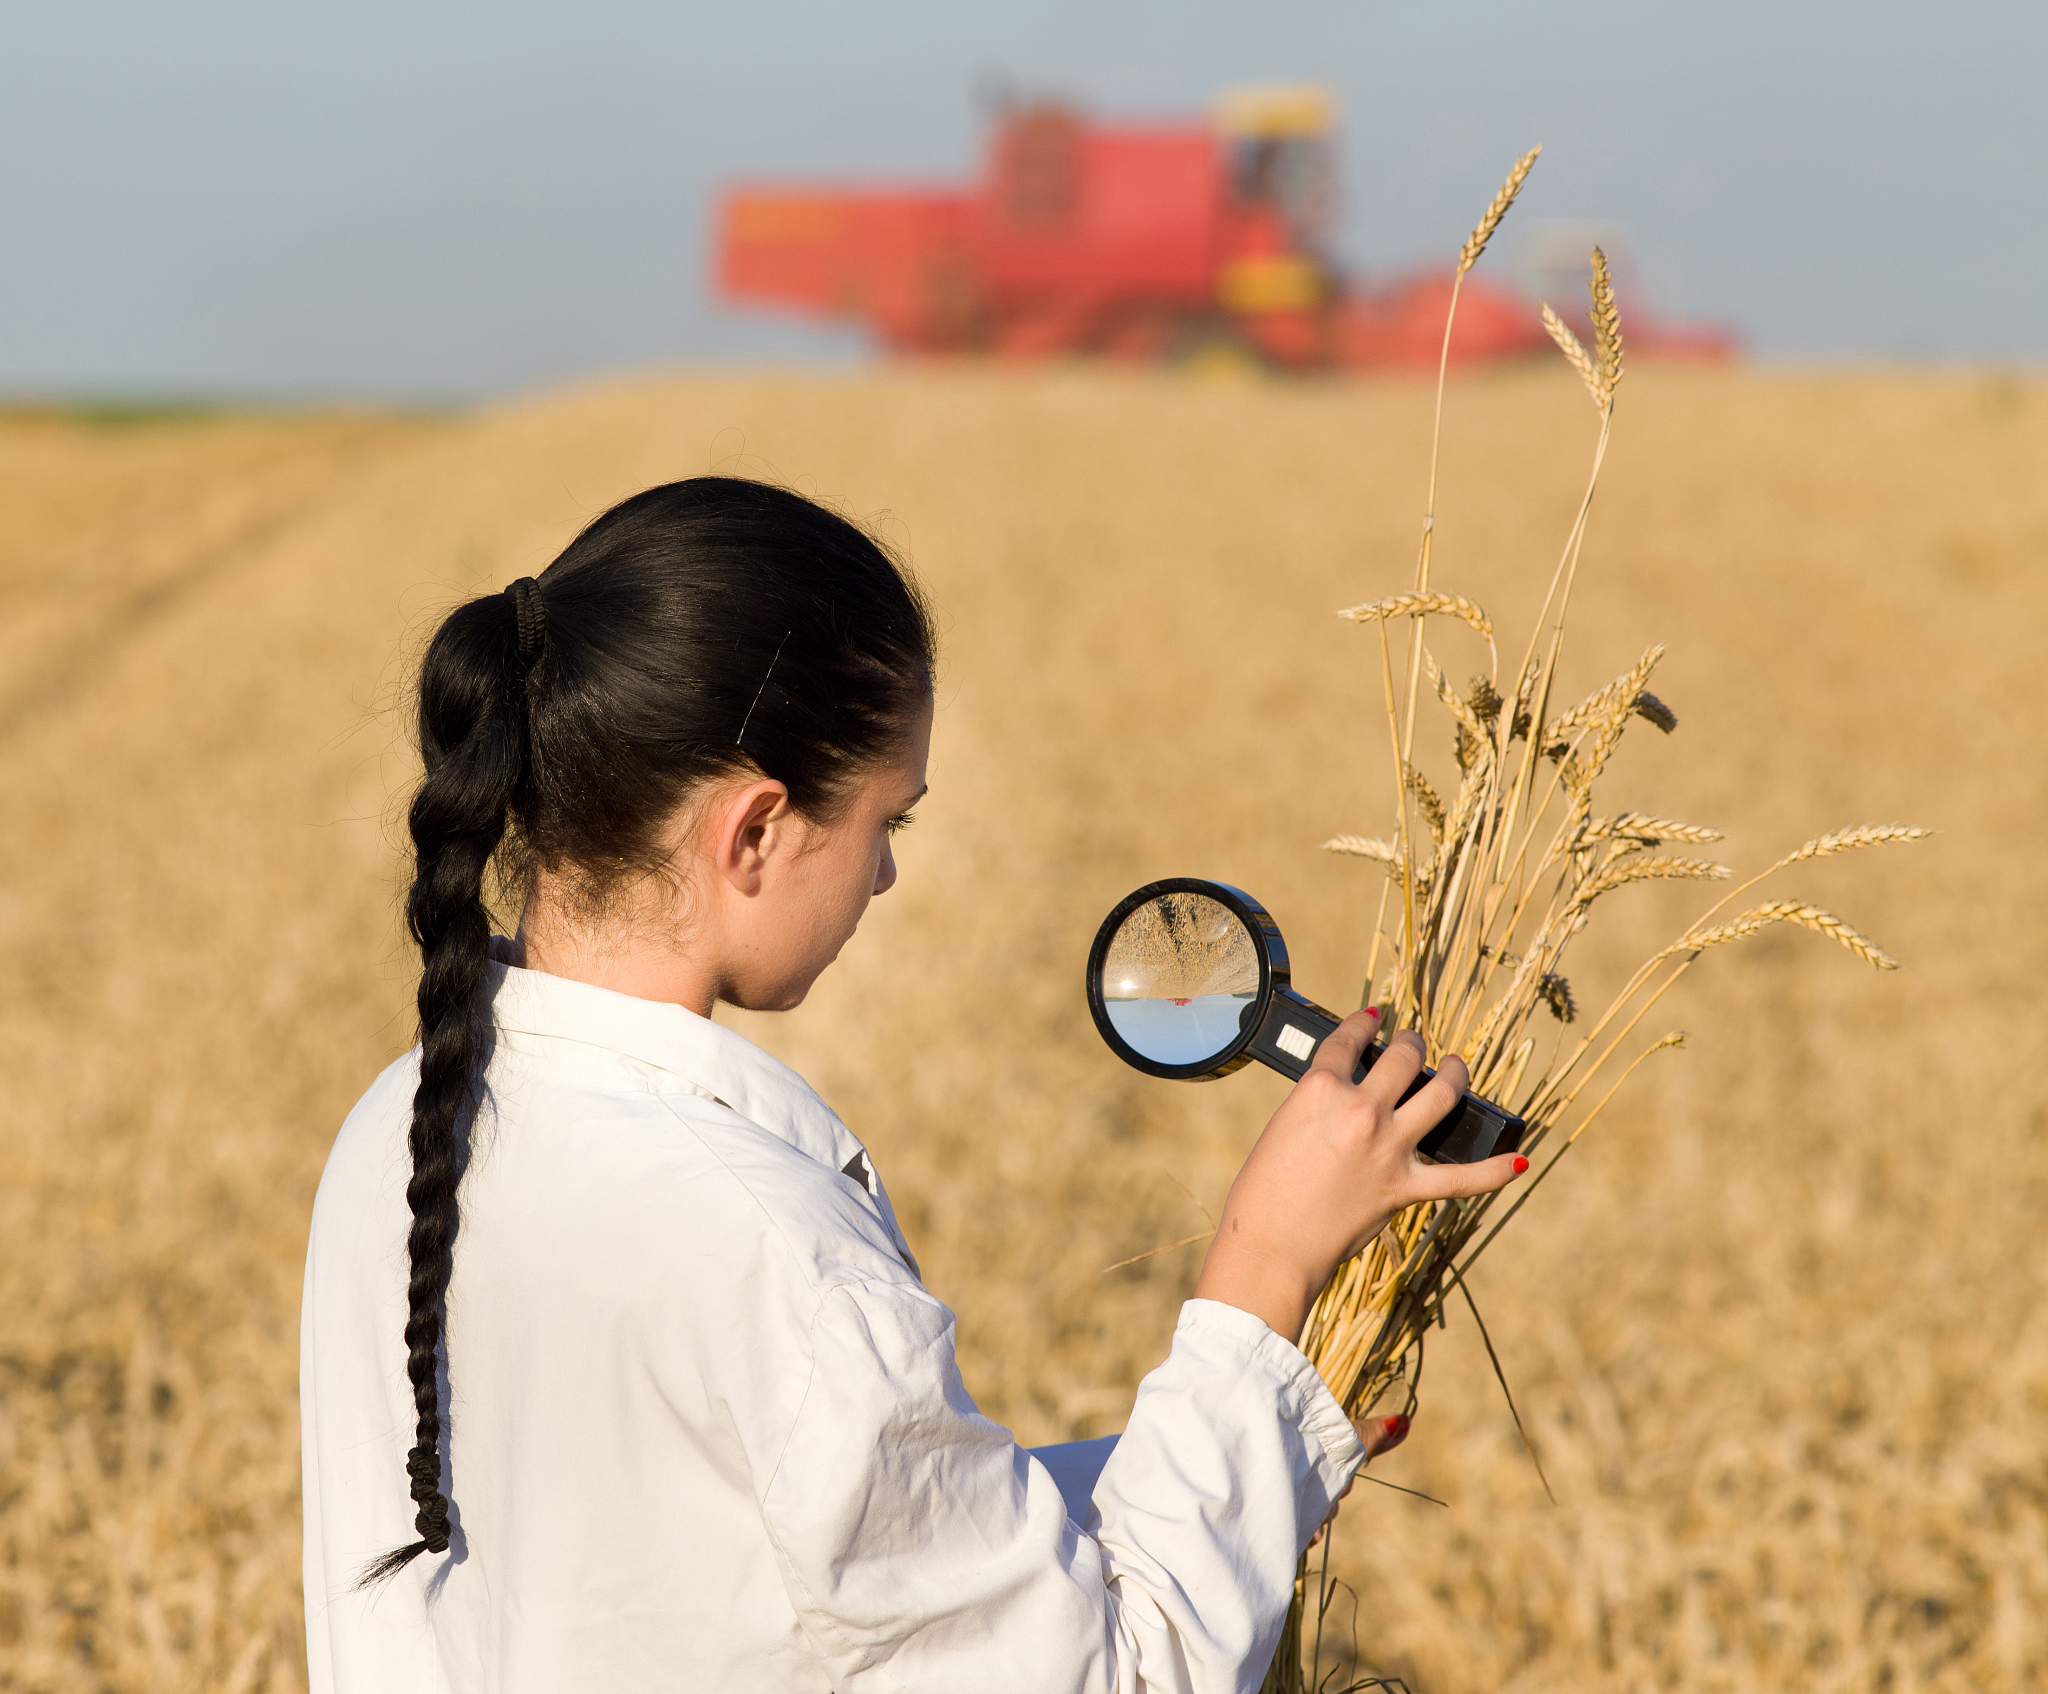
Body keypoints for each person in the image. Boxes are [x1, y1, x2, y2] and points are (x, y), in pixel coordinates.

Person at [299, 476, 1527, 1694]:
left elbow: (765, 1572)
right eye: (891, 819)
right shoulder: (771, 1250)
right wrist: (1265, 1263)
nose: (884, 875)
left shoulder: (398, 1129)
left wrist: (1263, 1455)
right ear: (755, 831)